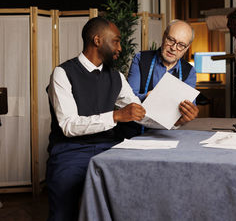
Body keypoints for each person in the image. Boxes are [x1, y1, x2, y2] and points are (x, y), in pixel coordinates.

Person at [46, 17, 146, 221]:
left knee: (132, 196)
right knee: (63, 213)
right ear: (98, 40)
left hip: (109, 148)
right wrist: (116, 115)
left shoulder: (116, 76)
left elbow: (140, 111)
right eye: (116, 41)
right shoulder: (62, 73)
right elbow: (68, 125)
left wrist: (175, 117)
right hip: (70, 152)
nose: (120, 47)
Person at [127, 19, 198, 127]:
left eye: (181, 45)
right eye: (170, 40)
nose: (173, 48)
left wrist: (189, 113)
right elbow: (129, 99)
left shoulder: (189, 72)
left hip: (168, 134)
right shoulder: (141, 59)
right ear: (164, 36)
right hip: (136, 132)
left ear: (187, 48)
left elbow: (187, 110)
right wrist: (146, 97)